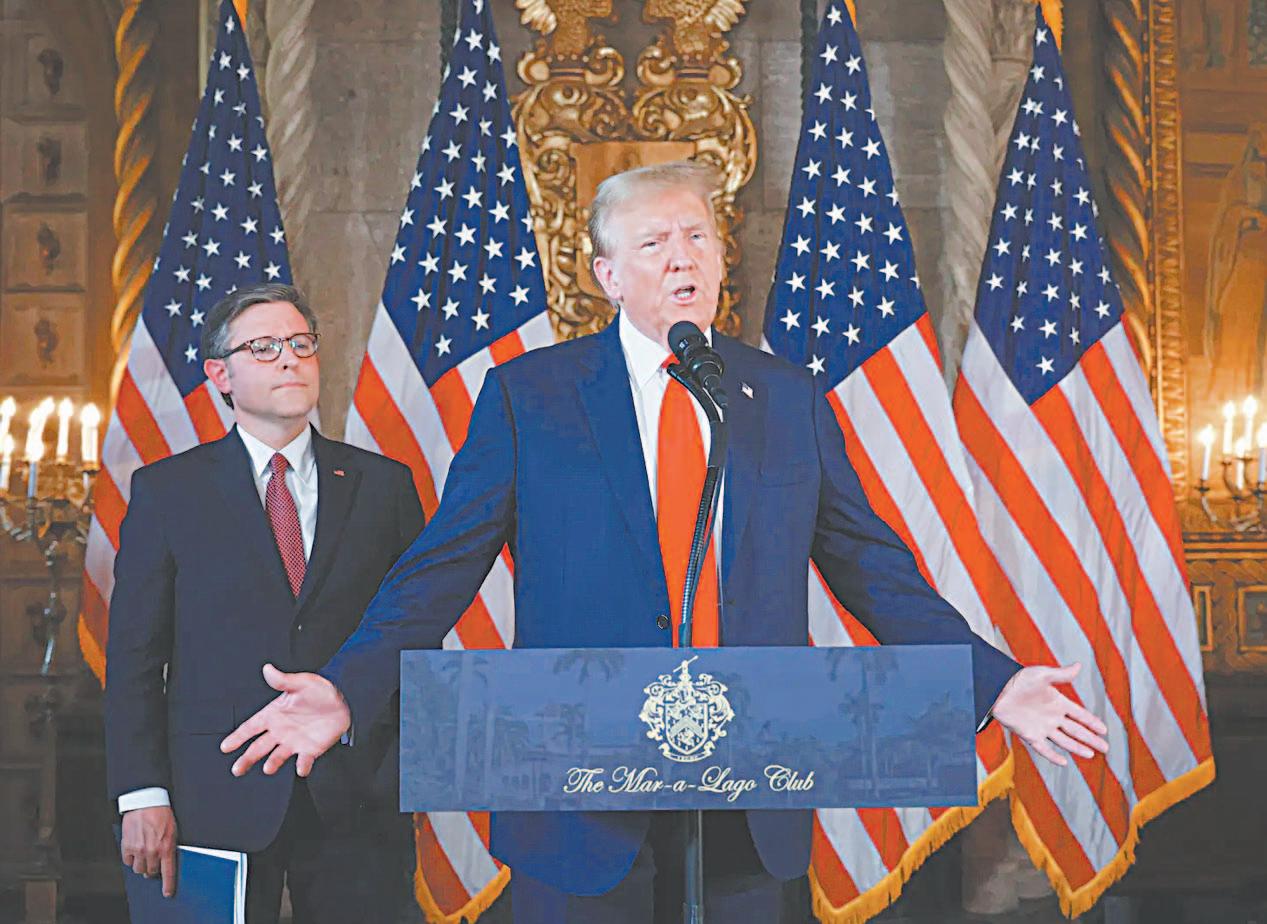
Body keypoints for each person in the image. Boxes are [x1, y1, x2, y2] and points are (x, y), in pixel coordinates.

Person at [220, 162, 1108, 922]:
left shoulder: (782, 398)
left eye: (696, 237)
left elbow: (873, 569)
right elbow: (439, 568)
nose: (682, 256)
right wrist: (347, 687)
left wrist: (995, 681)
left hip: (745, 794)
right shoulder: (532, 396)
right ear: (607, 275)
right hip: (578, 795)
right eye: (653, 243)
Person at [104, 283, 424, 923]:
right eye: (265, 347)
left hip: (356, 795)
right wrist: (141, 794)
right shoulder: (168, 492)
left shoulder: (384, 485)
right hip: (210, 795)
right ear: (220, 374)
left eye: (302, 344)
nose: (290, 360)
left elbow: (413, 636)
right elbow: (135, 658)